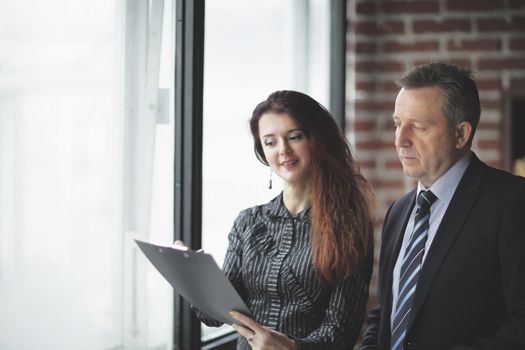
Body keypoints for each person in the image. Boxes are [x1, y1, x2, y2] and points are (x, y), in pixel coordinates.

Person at [360, 62, 525, 350]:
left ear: (461, 134)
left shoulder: (512, 203)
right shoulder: (398, 212)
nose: (400, 140)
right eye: (398, 124)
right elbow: (385, 314)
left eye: (419, 127)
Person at [193, 90, 375, 349]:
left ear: (317, 140)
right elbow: (214, 316)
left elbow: (341, 330)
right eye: (270, 142)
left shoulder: (350, 225)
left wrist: (291, 347)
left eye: (294, 137)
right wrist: (193, 277)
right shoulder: (248, 222)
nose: (283, 150)